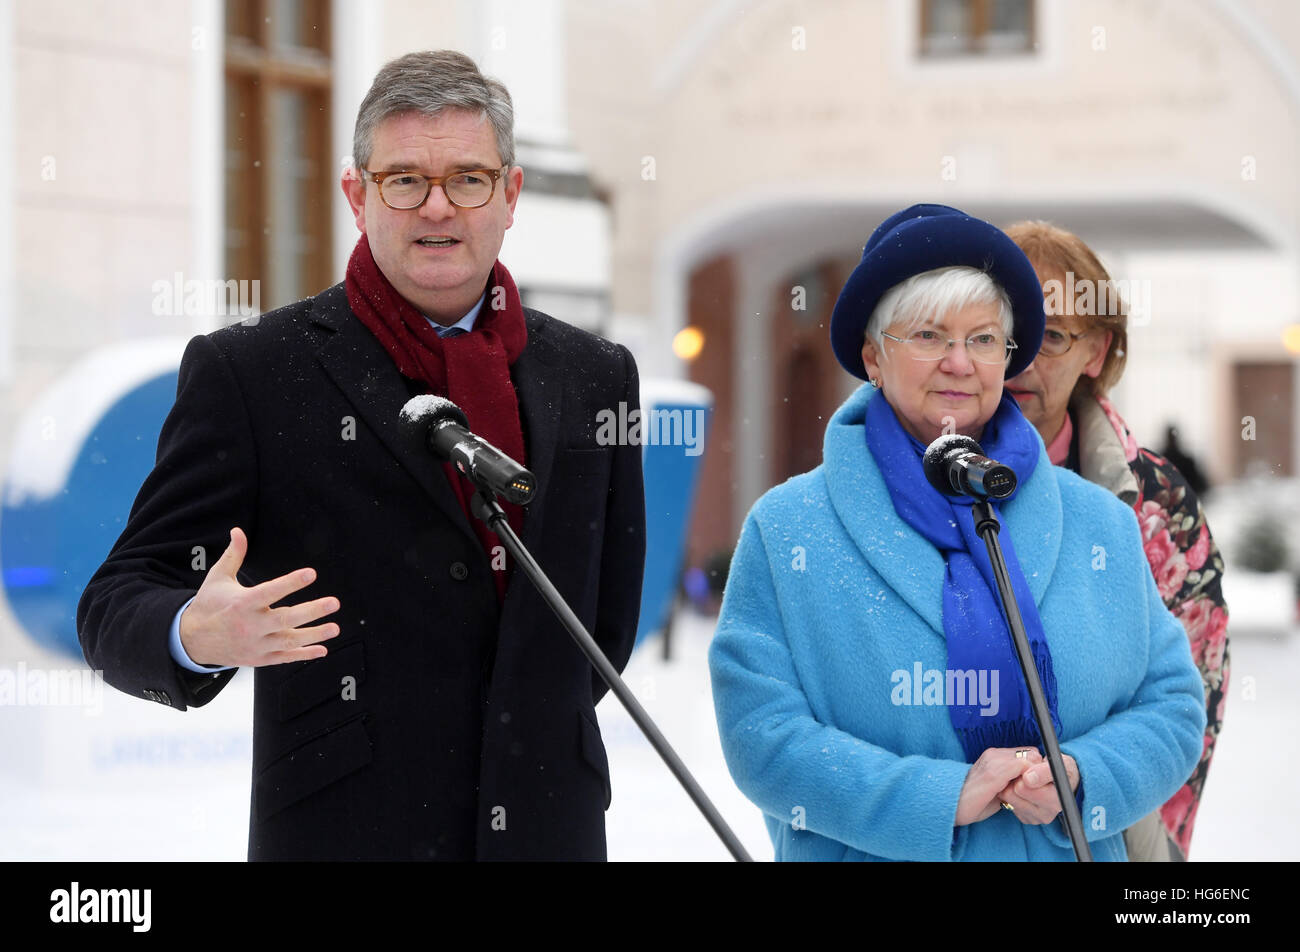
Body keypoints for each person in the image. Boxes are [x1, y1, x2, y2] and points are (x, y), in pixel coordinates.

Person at [77, 50, 645, 861]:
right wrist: (192, 634)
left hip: (551, 829)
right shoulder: (253, 373)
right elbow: (113, 602)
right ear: (357, 194)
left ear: (511, 194)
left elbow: (604, 622)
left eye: (469, 179)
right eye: (404, 179)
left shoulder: (596, 376)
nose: (438, 208)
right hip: (343, 832)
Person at [708, 204, 1205, 861]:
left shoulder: (1101, 524)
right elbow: (762, 735)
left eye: (982, 339)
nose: (959, 363)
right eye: (928, 336)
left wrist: (1080, 778)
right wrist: (939, 798)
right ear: (873, 357)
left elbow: (1172, 706)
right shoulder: (790, 528)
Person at [1003, 220, 1228, 861]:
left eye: (1050, 337)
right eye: (1005, 333)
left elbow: (1195, 688)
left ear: (1095, 354)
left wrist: (1149, 842)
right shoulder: (921, 473)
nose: (1021, 359)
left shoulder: (1156, 503)